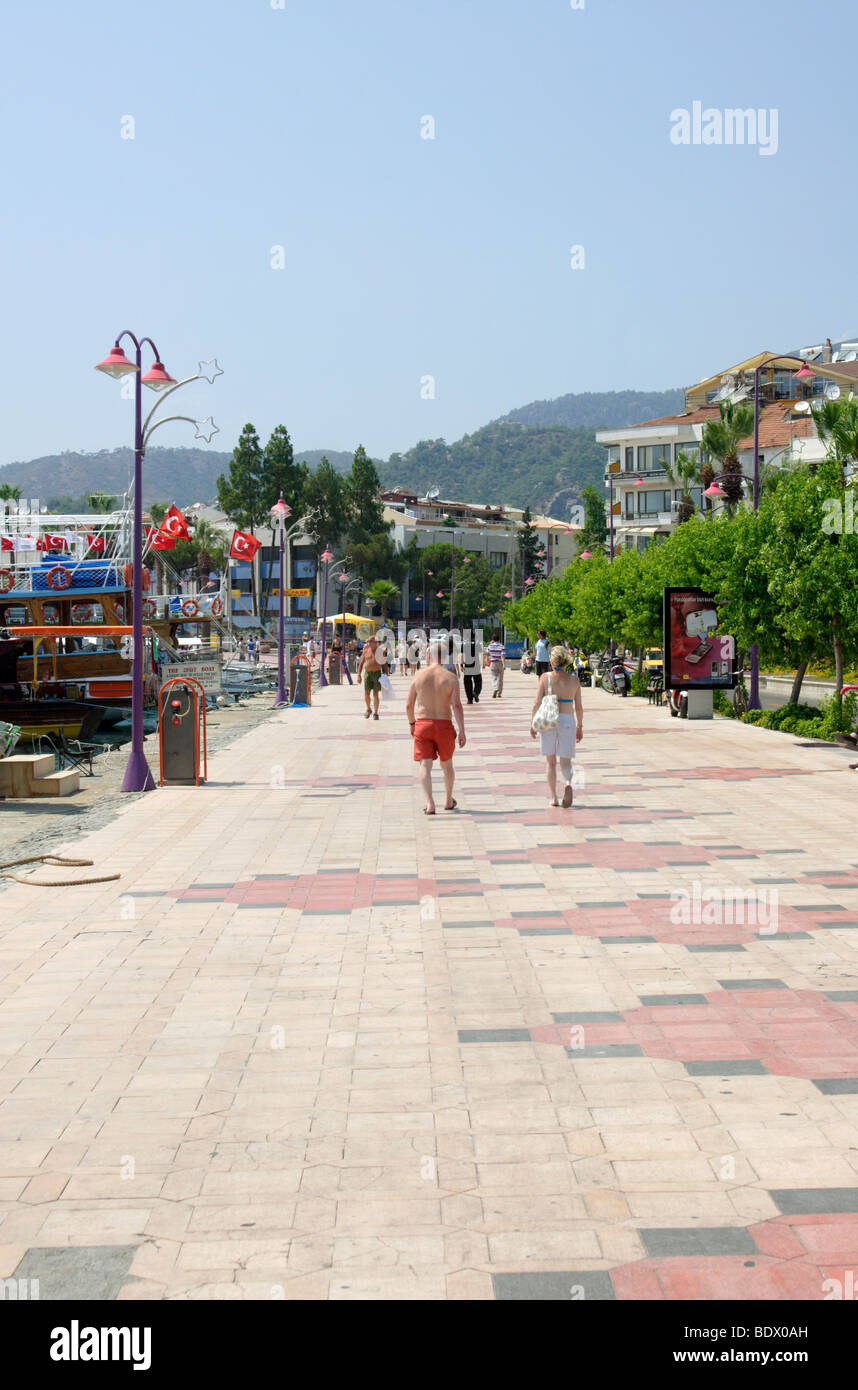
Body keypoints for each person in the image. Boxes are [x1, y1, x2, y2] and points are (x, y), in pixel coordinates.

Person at [406, 642, 466, 814]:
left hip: (423, 724)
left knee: (425, 765)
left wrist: (412, 724)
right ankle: (448, 799)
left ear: (429, 655)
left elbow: (409, 705)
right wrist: (462, 730)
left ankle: (430, 803)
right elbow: (456, 706)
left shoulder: (418, 676)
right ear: (446, 657)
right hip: (444, 724)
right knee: (447, 765)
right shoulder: (450, 678)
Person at [530, 645, 583, 808]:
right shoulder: (574, 680)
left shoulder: (545, 678)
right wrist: (580, 726)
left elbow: (537, 702)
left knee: (550, 761)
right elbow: (579, 706)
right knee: (566, 762)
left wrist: (533, 723)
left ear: (551, 660)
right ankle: (568, 783)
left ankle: (553, 797)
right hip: (567, 719)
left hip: (549, 720)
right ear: (566, 660)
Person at [357, 633, 384, 719]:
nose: (369, 643)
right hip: (368, 674)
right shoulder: (365, 651)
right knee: (367, 693)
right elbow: (361, 664)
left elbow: (385, 664)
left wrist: (386, 675)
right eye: (368, 641)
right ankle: (368, 709)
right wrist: (359, 675)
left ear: (375, 642)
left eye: (371, 641)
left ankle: (376, 713)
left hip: (377, 673)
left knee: (375, 693)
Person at [460, 627, 483, 704]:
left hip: (468, 665)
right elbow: (480, 655)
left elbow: (462, 656)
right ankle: (476, 692)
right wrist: (482, 663)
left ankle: (469, 699)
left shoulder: (464, 644)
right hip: (476, 665)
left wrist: (461, 665)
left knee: (467, 682)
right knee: (478, 681)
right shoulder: (477, 644)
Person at [487, 628, 506, 698]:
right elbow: (502, 656)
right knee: (500, 679)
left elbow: (488, 653)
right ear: (499, 639)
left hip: (493, 663)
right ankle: (499, 693)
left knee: (494, 677)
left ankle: (495, 688)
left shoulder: (490, 646)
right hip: (500, 663)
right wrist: (504, 665)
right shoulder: (502, 646)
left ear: (493, 639)